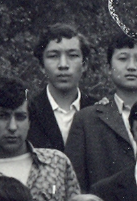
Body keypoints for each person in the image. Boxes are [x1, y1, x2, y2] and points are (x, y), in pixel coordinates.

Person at [79, 27, 137, 190]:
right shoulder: (86, 120)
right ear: (109, 68)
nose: (131, 66)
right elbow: (75, 182)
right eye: (123, 59)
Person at [26, 22, 91, 187]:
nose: (63, 65)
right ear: (41, 66)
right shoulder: (27, 112)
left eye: (72, 55)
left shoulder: (100, 111)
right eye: (53, 56)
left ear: (84, 64)